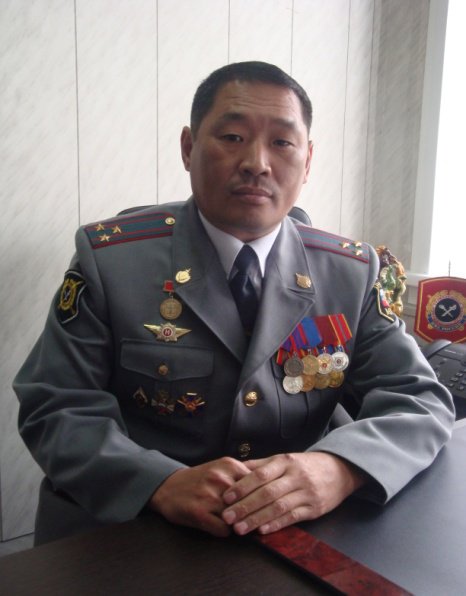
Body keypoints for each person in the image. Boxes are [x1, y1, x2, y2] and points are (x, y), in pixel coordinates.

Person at [14, 61, 454, 545]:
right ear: (188, 147)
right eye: (232, 137)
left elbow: (419, 401)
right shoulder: (111, 262)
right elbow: (55, 405)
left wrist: (340, 467)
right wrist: (158, 482)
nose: (257, 163)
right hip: (137, 530)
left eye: (282, 142)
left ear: (308, 161)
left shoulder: (351, 270)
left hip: (295, 534)